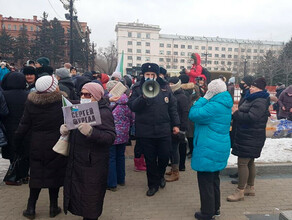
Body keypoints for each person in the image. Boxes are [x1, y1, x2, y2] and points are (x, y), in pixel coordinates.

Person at [14, 75, 67, 219]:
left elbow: (23, 125)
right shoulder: (61, 102)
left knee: (36, 175)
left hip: (36, 143)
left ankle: (30, 208)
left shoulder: (31, 102)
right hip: (57, 143)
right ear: (53, 87)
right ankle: (53, 207)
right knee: (54, 175)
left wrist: (16, 143)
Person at [61, 82, 116, 220]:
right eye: (82, 94)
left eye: (88, 94)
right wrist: (65, 130)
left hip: (94, 163)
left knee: (91, 199)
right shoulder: (77, 108)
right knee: (79, 196)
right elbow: (73, 129)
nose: (83, 97)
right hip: (77, 160)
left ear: (96, 96)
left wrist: (92, 132)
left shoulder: (104, 112)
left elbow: (110, 137)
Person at [128, 63, 180, 196]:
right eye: (147, 75)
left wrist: (176, 125)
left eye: (152, 75)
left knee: (163, 157)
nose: (150, 77)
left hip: (163, 129)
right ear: (143, 75)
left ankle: (161, 176)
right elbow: (133, 106)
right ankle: (152, 184)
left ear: (157, 76)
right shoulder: (137, 88)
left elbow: (172, 107)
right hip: (145, 131)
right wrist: (143, 97)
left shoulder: (165, 87)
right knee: (150, 160)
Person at [189, 79, 233, 220]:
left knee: (205, 181)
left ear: (212, 92)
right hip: (218, 146)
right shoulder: (224, 103)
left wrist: (203, 98)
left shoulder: (213, 106)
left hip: (208, 147)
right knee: (214, 179)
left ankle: (207, 212)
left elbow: (193, 114)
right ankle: (215, 209)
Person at [227, 77, 270, 202]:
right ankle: (250, 187)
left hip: (251, 137)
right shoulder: (253, 98)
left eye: (254, 87)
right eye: (251, 86)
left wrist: (236, 113)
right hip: (249, 135)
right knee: (250, 162)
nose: (251, 88)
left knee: (243, 163)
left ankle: (240, 191)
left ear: (260, 89)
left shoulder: (259, 100)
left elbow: (252, 117)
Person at [106, 80, 134, 191]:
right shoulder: (127, 101)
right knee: (120, 156)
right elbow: (132, 118)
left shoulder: (108, 101)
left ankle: (112, 183)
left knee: (111, 158)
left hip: (111, 133)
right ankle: (121, 179)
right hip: (124, 134)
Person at [1, 72, 29, 171]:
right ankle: (24, 173)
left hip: (7, 127)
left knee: (12, 151)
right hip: (25, 128)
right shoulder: (28, 95)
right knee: (24, 151)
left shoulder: (3, 95)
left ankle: (14, 172)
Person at [165, 77, 189, 182]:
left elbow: (185, 113)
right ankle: (173, 169)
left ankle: (176, 172)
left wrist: (181, 127)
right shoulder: (172, 94)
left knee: (174, 149)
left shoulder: (181, 97)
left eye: (172, 83)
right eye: (169, 83)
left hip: (177, 127)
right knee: (171, 148)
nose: (170, 85)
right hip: (171, 126)